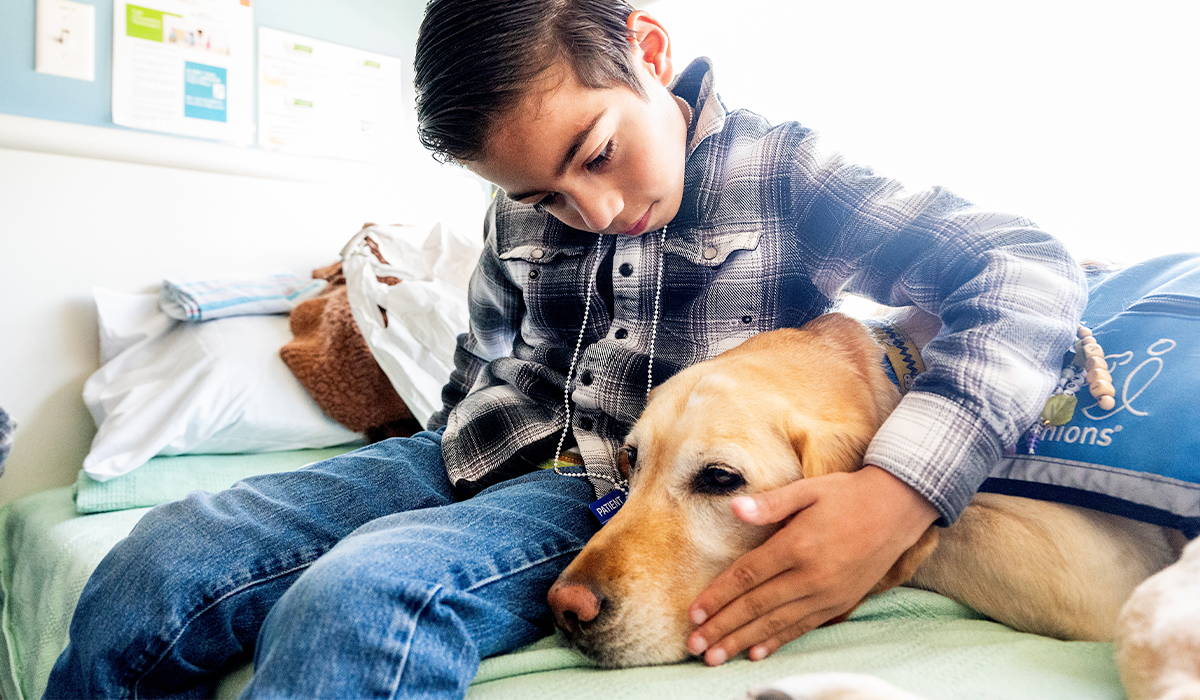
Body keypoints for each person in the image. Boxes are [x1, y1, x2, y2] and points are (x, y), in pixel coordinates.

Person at [43, 0, 1087, 698]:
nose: (589, 210)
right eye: (540, 193)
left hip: (598, 485)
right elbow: (483, 348)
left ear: (649, 49)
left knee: (357, 599)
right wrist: (422, 448)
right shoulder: (524, 212)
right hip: (464, 446)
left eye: (598, 154)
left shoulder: (789, 170)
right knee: (163, 556)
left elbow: (1024, 269)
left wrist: (904, 489)